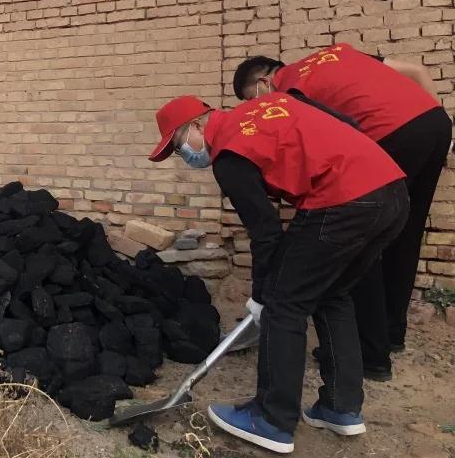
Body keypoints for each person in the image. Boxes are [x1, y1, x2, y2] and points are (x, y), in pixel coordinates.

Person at [149, 94, 408, 454]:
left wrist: (262, 296)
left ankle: (271, 419)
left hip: (342, 199)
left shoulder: (229, 154)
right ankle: (340, 406)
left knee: (284, 304)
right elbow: (346, 125)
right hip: (393, 192)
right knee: (332, 294)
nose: (185, 156)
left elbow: (266, 232)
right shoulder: (264, 108)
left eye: (179, 146)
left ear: (195, 125)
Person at [233, 45, 451, 379]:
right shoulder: (337, 53)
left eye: (253, 100)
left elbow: (331, 135)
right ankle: (391, 335)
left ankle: (371, 355)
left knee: (360, 241)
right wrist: (440, 124)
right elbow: (418, 71)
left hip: (388, 134)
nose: (259, 107)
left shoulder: (290, 90)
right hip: (435, 123)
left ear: (264, 82)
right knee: (405, 235)